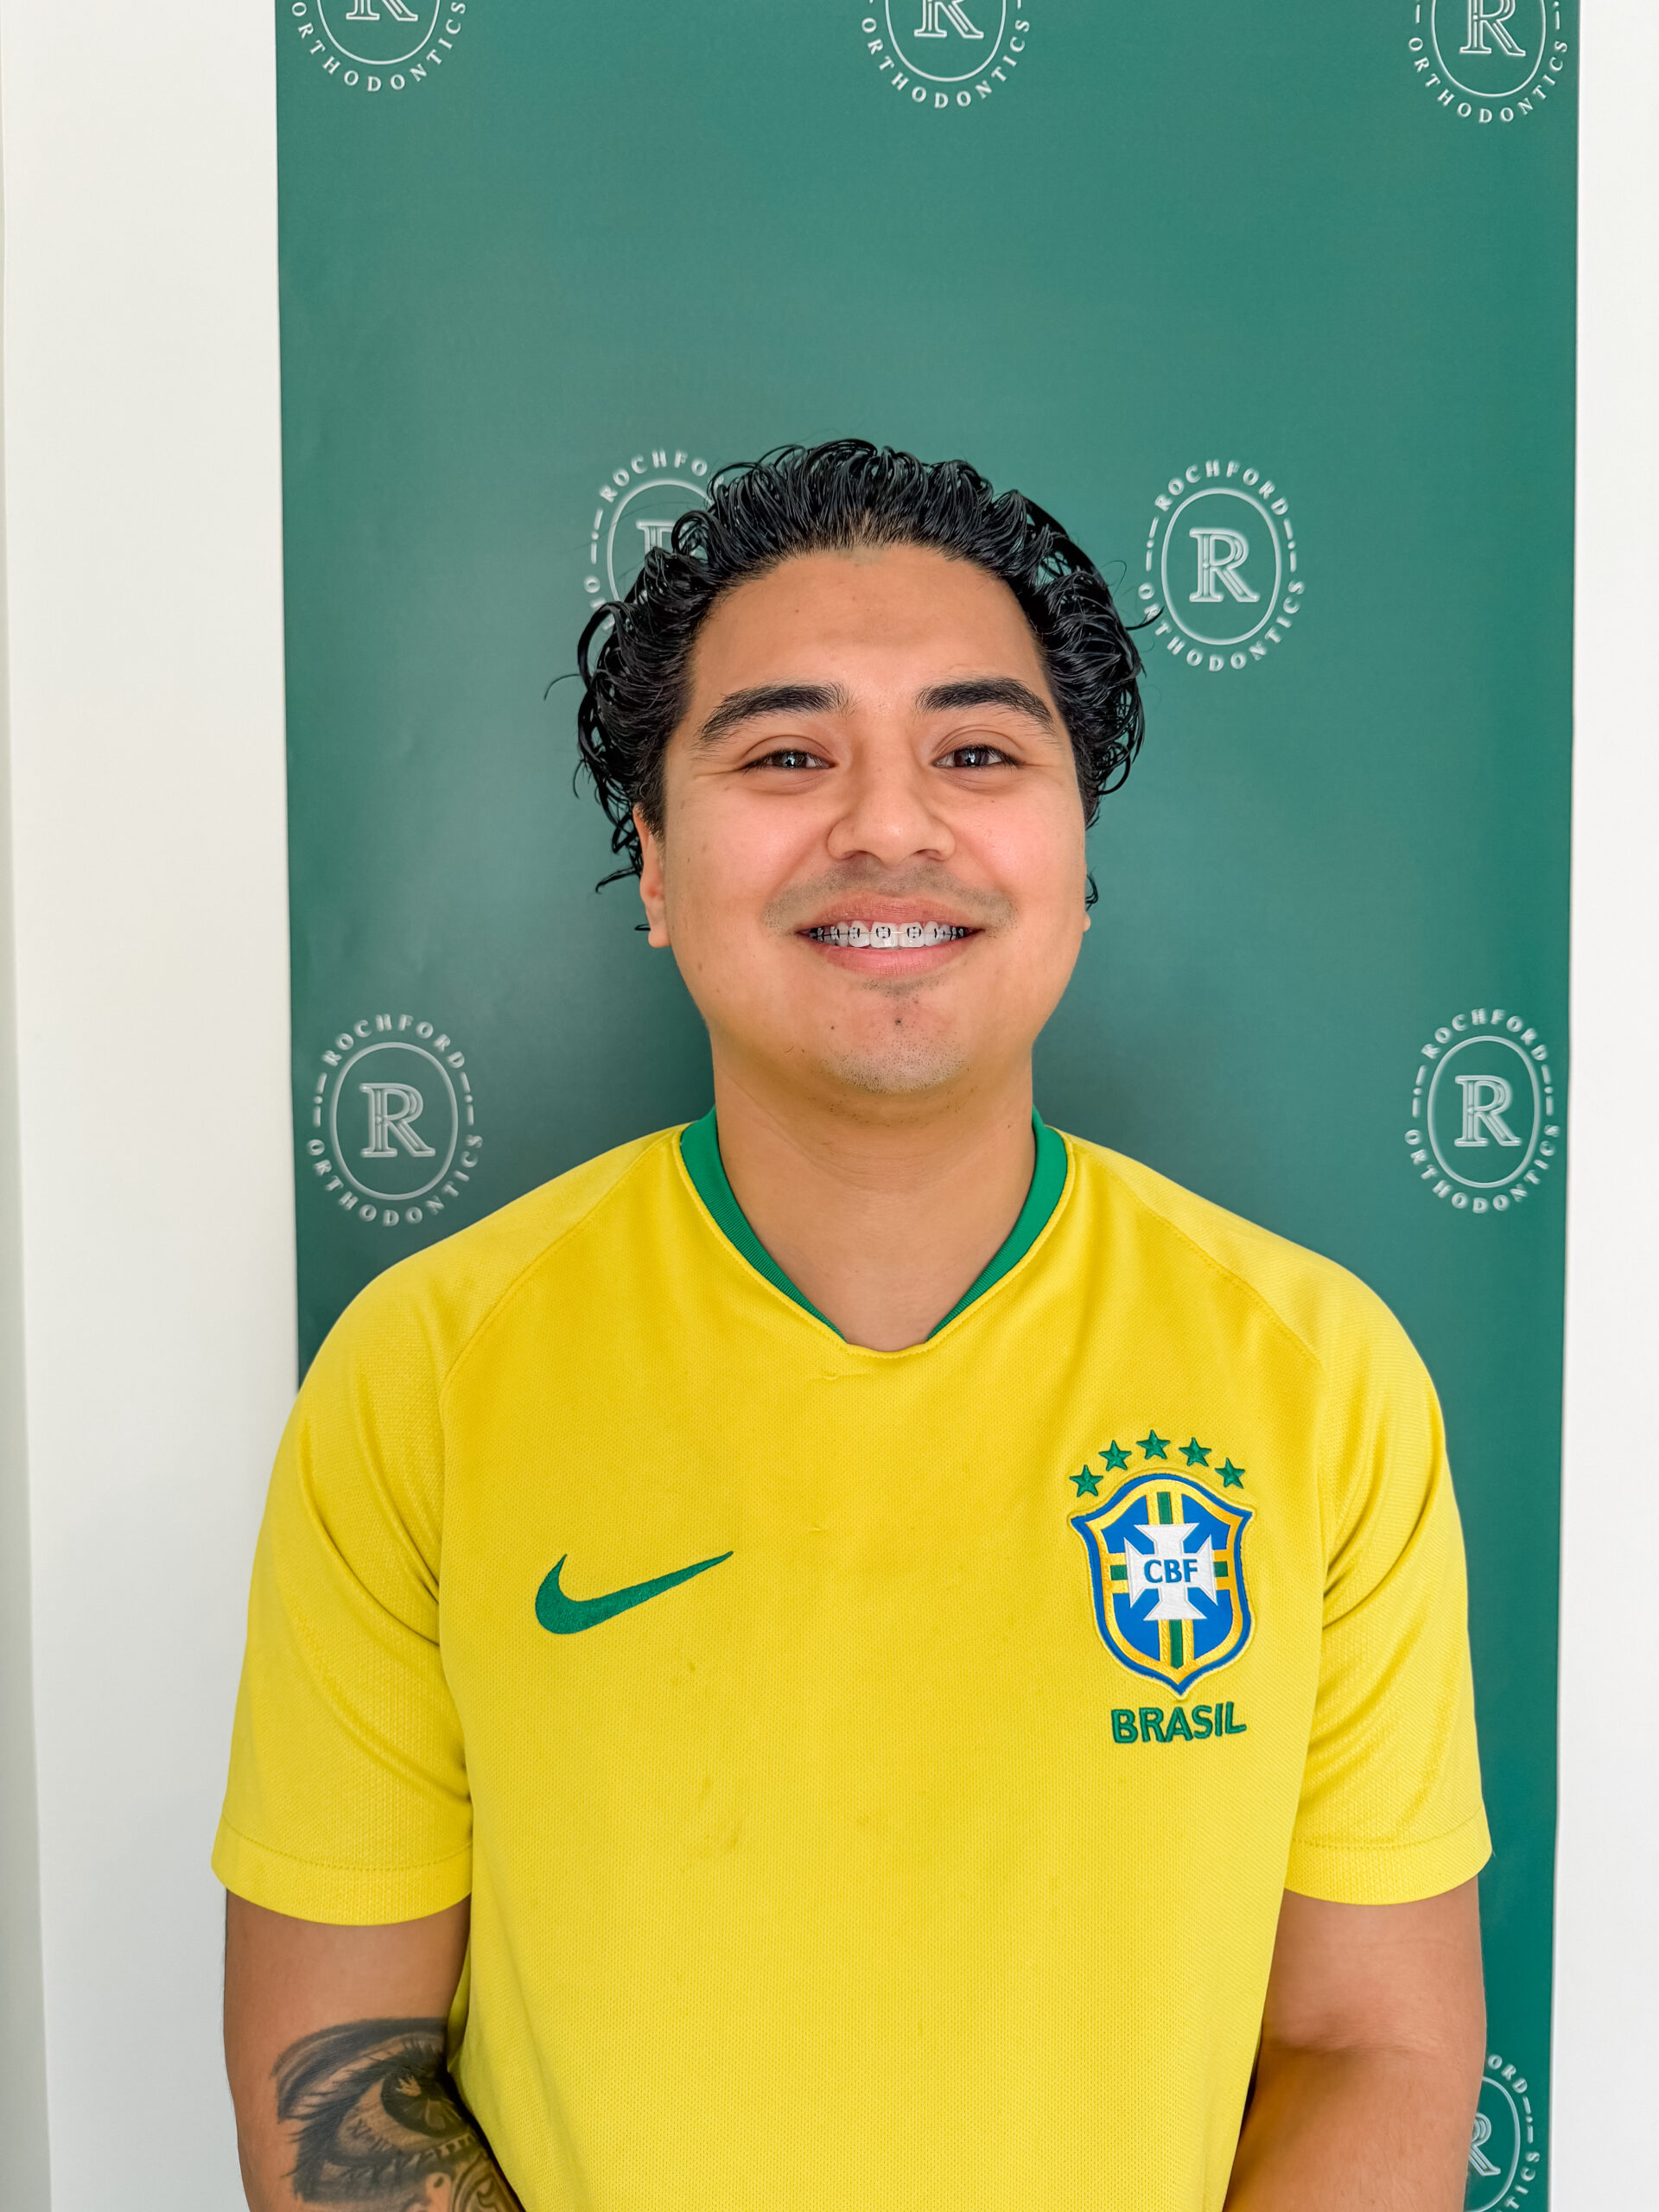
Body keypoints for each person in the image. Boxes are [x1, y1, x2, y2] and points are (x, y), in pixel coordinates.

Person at [218, 441, 1489, 2212]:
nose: (890, 826)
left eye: (976, 752)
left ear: (1080, 856)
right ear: (654, 865)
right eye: (785, 754)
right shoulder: (424, 1373)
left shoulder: (1322, 1379)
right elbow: (341, 2066)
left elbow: (1375, 2043)